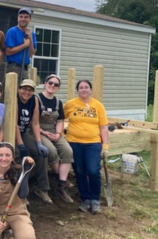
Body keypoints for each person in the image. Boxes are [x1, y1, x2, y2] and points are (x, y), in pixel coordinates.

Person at [63, 80, 109, 214]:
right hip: (74, 142)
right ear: (77, 90)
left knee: (93, 170)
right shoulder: (70, 104)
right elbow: (60, 118)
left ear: (91, 89)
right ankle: (85, 200)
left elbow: (104, 127)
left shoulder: (98, 105)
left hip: (93, 143)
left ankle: (95, 200)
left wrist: (105, 146)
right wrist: (59, 133)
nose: (84, 90)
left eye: (86, 87)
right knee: (79, 171)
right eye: (81, 88)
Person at [37, 74, 74, 203]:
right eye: (50, 83)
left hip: (54, 131)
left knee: (67, 150)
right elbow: (33, 122)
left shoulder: (58, 102)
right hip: (39, 131)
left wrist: (58, 134)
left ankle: (61, 185)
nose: (52, 86)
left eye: (56, 84)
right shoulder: (37, 99)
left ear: (58, 88)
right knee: (51, 151)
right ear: (45, 83)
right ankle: (62, 179)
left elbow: (60, 120)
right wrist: (45, 133)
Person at [16, 79, 51, 204]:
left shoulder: (34, 100)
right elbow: (13, 124)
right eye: (24, 89)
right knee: (21, 158)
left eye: (30, 90)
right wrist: (20, 145)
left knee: (41, 154)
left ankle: (42, 188)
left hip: (24, 132)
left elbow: (35, 123)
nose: (27, 92)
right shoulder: (15, 99)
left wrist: (38, 142)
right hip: (12, 133)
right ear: (19, 89)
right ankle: (20, 193)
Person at [5, 8, 37, 84]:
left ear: (30, 19)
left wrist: (30, 39)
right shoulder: (12, 31)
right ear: (17, 18)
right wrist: (24, 45)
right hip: (13, 68)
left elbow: (31, 54)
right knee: (12, 93)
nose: (23, 19)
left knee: (24, 93)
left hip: (25, 68)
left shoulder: (31, 34)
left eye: (26, 17)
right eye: (21, 16)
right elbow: (8, 52)